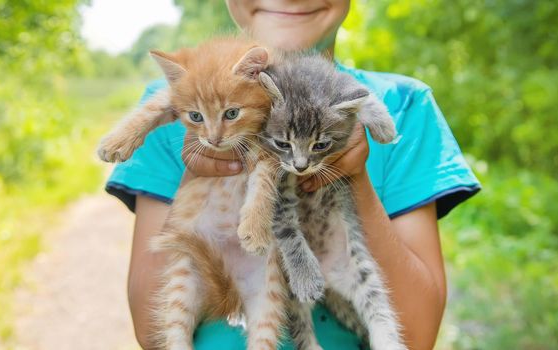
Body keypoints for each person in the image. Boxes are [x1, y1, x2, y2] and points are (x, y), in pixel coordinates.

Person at [105, 1, 480, 349]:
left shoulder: (405, 105)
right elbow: (150, 331)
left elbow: (417, 336)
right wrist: (200, 166)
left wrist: (352, 173)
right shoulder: (179, 105)